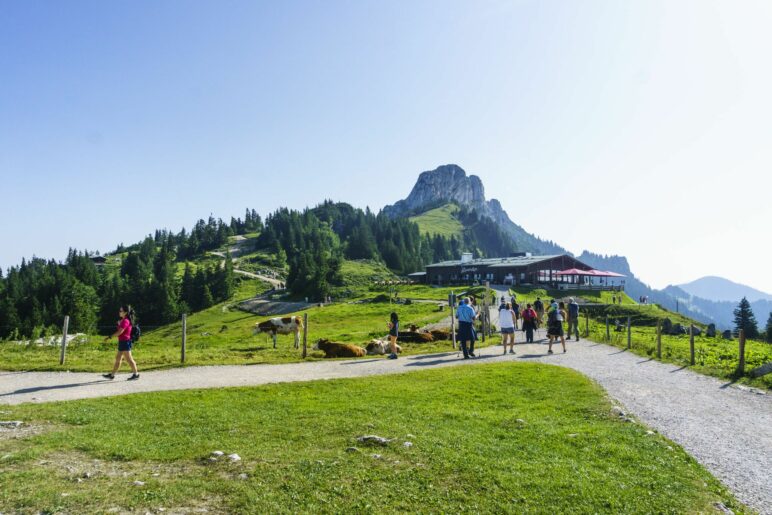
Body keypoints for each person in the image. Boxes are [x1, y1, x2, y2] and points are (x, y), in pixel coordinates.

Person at [103, 305, 139, 380]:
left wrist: (109, 337)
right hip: (123, 342)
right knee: (118, 358)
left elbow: (120, 332)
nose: (119, 312)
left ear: (125, 312)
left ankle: (136, 374)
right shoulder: (123, 320)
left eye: (121, 311)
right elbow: (122, 331)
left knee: (129, 359)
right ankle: (112, 375)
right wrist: (119, 324)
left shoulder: (125, 321)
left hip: (125, 342)